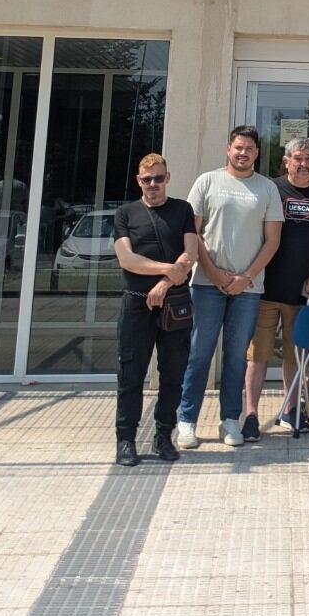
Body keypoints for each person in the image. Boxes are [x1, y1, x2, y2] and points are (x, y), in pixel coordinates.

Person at [177, 126, 283, 451]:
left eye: (249, 149)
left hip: (248, 290)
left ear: (256, 153)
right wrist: (214, 272)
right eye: (238, 147)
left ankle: (231, 419)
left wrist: (245, 277)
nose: (243, 153)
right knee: (199, 354)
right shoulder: (206, 182)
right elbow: (192, 235)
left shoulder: (266, 189)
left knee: (237, 357)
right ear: (228, 149)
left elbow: (273, 241)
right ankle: (187, 420)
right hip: (207, 285)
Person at [112, 153, 199, 467]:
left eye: (158, 178)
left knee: (173, 374)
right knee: (131, 374)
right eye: (147, 179)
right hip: (136, 303)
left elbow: (191, 253)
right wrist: (170, 270)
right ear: (139, 181)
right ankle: (126, 440)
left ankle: (164, 435)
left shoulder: (182, 210)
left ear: (167, 178)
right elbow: (128, 260)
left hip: (174, 304)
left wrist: (164, 284)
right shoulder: (125, 213)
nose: (153, 185)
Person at [245, 136, 309, 433]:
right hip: (265, 291)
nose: (304, 163)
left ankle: (291, 410)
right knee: (257, 357)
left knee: (295, 358)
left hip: (301, 294)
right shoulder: (271, 190)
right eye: (298, 158)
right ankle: (251, 415)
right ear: (286, 161)